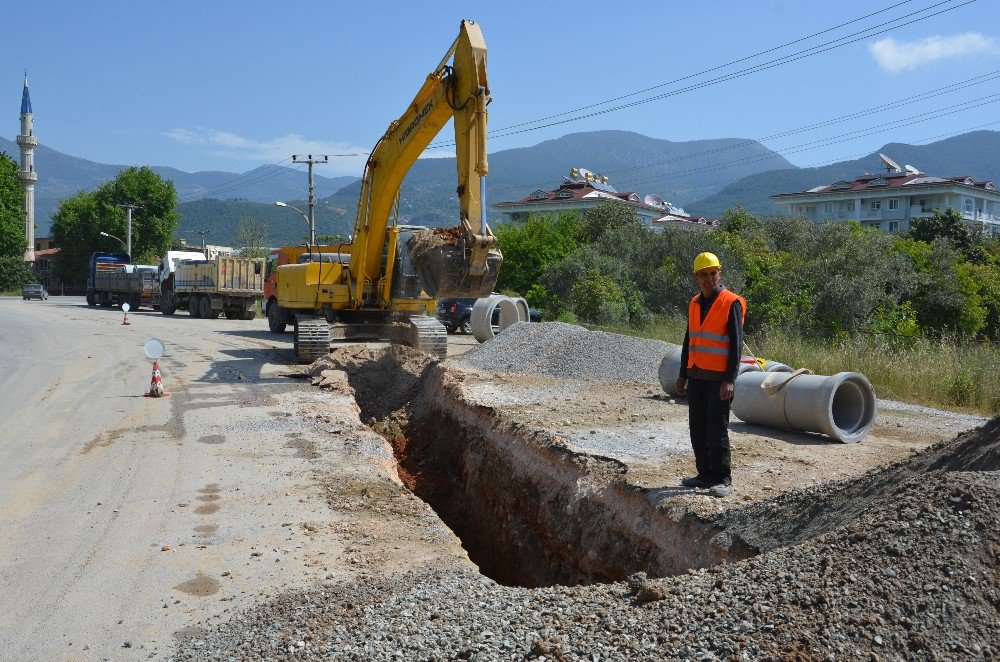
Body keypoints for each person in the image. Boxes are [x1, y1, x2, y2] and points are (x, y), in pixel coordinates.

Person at [675, 252, 745, 498]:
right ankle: (704, 475)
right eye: (703, 274)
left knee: (717, 430)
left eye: (713, 273)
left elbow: (736, 345)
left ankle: (722, 478)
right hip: (696, 377)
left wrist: (729, 379)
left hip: (718, 381)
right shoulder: (694, 303)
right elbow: (689, 340)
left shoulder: (731, 302)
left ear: (720, 273)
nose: (709, 278)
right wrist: (683, 373)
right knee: (698, 429)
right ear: (696, 277)